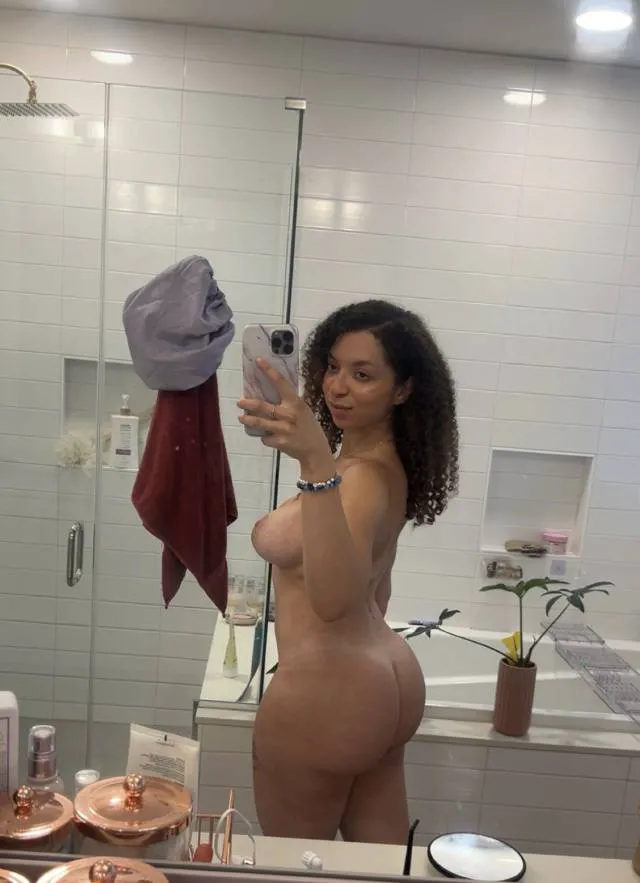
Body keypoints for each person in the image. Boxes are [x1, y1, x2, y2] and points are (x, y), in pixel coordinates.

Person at [237, 299, 459, 844]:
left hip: (329, 694)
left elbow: (334, 601)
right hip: (383, 681)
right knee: (381, 869)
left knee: (294, 869)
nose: (337, 387)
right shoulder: (381, 467)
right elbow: (376, 591)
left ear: (402, 389)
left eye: (363, 375)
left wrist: (314, 460)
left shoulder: (351, 478)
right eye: (333, 367)